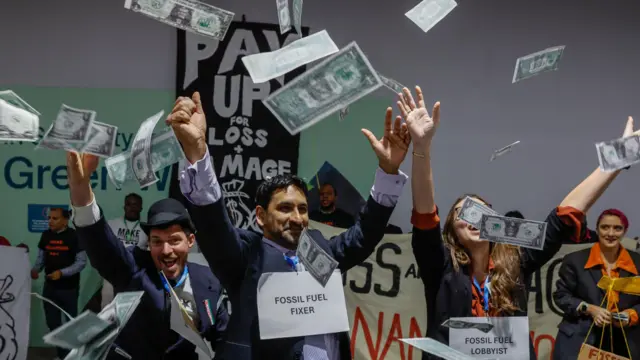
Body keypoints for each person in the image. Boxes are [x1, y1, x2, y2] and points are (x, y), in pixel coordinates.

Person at [166, 91, 409, 359]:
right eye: (284, 208)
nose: (296, 218)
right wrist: (197, 152)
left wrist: (388, 172)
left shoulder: (320, 247)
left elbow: (366, 233)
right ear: (260, 216)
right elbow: (213, 225)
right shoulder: (246, 254)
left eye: (303, 209)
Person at [405, 86, 627, 359]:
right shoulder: (440, 267)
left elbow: (566, 215)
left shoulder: (517, 260)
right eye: (465, 214)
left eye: (484, 213)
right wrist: (421, 148)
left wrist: (619, 158)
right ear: (452, 229)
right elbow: (425, 215)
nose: (476, 219)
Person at [65, 151, 228, 359]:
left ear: (190, 241)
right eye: (157, 241)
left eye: (174, 240)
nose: (166, 250)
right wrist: (80, 189)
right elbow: (100, 244)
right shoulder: (135, 269)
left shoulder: (209, 281)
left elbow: (226, 338)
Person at [553, 208, 640, 358]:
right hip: (578, 340)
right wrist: (589, 309)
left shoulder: (637, 263)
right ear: (597, 229)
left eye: (617, 228)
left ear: (625, 231)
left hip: (623, 344)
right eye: (605, 227)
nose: (611, 234)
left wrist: (630, 316)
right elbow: (561, 296)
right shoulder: (575, 261)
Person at [31, 207, 86, 360]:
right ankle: (62, 355)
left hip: (68, 289)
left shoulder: (74, 236)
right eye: (49, 218)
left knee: (70, 325)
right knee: (53, 324)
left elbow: (81, 262)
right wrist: (34, 270)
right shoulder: (46, 235)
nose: (50, 221)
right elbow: (40, 260)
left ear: (65, 220)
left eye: (54, 218)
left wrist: (62, 273)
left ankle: (72, 356)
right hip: (49, 288)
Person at [101, 193, 148, 309]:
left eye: (135, 204)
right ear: (124, 207)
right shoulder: (112, 224)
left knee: (131, 309)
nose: (131, 207)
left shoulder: (147, 228)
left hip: (135, 276)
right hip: (112, 273)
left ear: (141, 207)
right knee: (106, 307)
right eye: (128, 204)